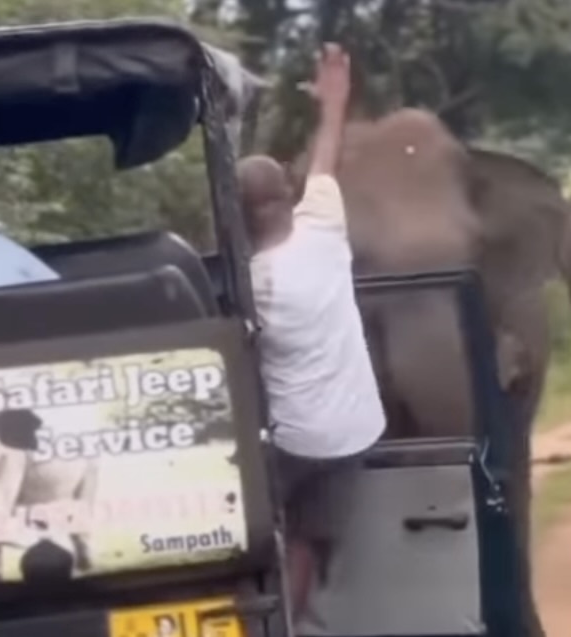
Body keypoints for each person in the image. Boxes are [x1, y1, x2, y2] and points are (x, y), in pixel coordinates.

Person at [236, 43, 386, 622]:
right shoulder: (324, 230)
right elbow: (324, 163)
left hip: (293, 443)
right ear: (287, 196)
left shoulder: (252, 286)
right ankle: (293, 620)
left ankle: (257, 602)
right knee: (305, 539)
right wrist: (334, 103)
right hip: (352, 432)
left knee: (263, 516)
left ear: (238, 212)